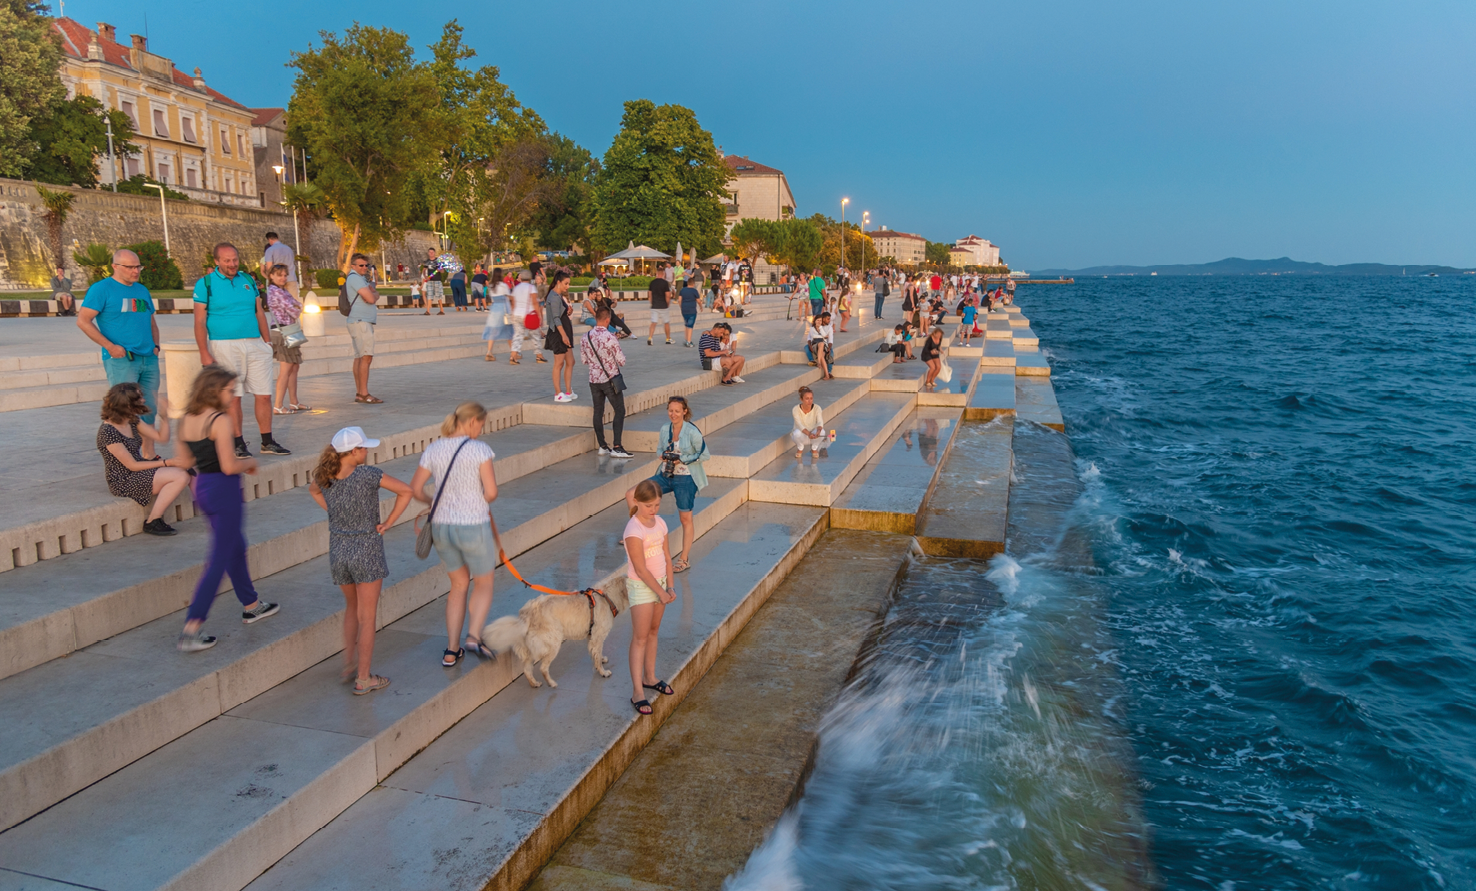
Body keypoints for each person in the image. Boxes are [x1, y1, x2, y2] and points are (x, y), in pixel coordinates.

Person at [174, 365, 279, 652]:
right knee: (219, 559)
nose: (232, 396)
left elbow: (184, 462)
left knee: (234, 546)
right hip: (225, 489)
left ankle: (252, 604)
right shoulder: (218, 420)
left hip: (204, 489)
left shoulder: (184, 420)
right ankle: (192, 627)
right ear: (213, 390)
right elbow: (230, 465)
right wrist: (251, 464)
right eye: (229, 390)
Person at [309, 425, 413, 696]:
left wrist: (334, 512)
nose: (367, 451)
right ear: (354, 452)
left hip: (339, 549)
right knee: (368, 618)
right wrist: (389, 521)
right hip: (366, 548)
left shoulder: (325, 475)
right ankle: (364, 678)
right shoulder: (368, 475)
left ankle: (348, 665)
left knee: (351, 608)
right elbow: (406, 491)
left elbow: (314, 491)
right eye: (364, 448)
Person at [410, 402, 499, 667]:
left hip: (442, 527)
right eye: (481, 425)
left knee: (458, 585)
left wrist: (432, 501)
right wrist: (477, 502)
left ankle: (451, 650)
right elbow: (492, 493)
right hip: (473, 524)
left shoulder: (434, 448)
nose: (481, 431)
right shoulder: (479, 450)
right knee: (484, 583)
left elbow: (415, 488)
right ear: (472, 422)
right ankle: (473, 636)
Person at [193, 243, 289, 457]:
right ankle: (238, 442)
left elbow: (259, 312)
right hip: (224, 345)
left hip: (255, 344)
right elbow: (199, 321)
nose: (232, 264)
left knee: (264, 394)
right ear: (216, 261)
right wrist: (204, 352)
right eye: (226, 260)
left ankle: (267, 441)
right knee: (233, 396)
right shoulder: (205, 284)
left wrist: (267, 342)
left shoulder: (247, 280)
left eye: (235, 259)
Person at [77, 249, 161, 426]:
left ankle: (148, 453)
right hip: (122, 359)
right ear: (114, 266)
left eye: (138, 267)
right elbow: (83, 321)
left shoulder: (142, 290)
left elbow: (151, 321)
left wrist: (156, 346)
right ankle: (126, 452)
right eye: (130, 267)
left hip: (148, 357)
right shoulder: (101, 289)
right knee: (125, 409)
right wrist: (110, 347)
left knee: (149, 407)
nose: (136, 271)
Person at [625, 396, 708, 575]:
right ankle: (640, 532)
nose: (673, 414)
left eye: (677, 411)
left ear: (684, 411)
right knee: (632, 494)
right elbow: (658, 449)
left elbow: (704, 455)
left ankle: (684, 559)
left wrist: (681, 459)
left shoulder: (692, 431)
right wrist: (663, 455)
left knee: (685, 519)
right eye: (671, 410)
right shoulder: (665, 429)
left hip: (686, 477)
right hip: (665, 474)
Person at [97, 383, 191, 535]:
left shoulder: (132, 420)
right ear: (127, 404)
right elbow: (132, 465)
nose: (143, 400)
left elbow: (161, 438)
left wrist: (164, 417)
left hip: (139, 469)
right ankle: (153, 521)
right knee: (180, 476)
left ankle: (210, 509)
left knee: (187, 468)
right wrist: (167, 463)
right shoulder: (108, 432)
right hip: (123, 479)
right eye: (139, 398)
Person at [624, 479, 675, 716]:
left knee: (653, 632)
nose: (653, 510)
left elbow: (666, 556)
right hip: (643, 588)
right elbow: (641, 569)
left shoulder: (661, 523)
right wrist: (661, 592)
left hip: (662, 585)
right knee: (640, 638)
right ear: (637, 503)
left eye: (657, 504)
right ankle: (637, 691)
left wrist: (670, 586)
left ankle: (650, 677)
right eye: (648, 506)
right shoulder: (633, 530)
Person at [582, 306, 632, 458]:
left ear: (596, 318)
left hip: (593, 379)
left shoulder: (586, 337)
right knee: (620, 410)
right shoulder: (610, 337)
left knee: (598, 411)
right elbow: (621, 361)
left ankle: (603, 446)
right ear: (608, 319)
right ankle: (617, 446)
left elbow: (584, 360)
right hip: (610, 379)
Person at [266, 264, 309, 415]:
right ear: (271, 276)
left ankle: (294, 401)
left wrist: (296, 307)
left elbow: (297, 304)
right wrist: (296, 308)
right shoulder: (275, 291)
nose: (283, 278)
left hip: (290, 330)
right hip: (282, 331)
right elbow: (294, 310)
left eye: (285, 275)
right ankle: (278, 405)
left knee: (294, 367)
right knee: (285, 369)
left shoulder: (282, 290)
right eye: (279, 275)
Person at [343, 252, 382, 405]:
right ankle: (364, 393)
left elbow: (373, 294)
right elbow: (372, 297)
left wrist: (373, 293)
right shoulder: (354, 278)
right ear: (353, 266)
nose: (365, 268)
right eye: (361, 265)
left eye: (366, 265)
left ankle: (360, 392)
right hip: (361, 322)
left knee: (360, 356)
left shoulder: (360, 279)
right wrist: (374, 294)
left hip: (359, 321)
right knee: (366, 357)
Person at [544, 270, 577, 402]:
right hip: (558, 333)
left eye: (568, 284)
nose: (567, 287)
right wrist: (564, 336)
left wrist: (568, 311)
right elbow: (556, 318)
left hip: (564, 331)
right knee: (559, 363)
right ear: (558, 282)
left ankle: (568, 391)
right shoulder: (553, 297)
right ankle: (558, 393)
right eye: (565, 284)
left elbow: (560, 314)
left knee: (570, 361)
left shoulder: (558, 296)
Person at [509, 270, 538, 365]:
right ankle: (539, 355)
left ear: (521, 277)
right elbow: (534, 302)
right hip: (527, 315)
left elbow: (513, 302)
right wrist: (539, 314)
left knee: (517, 335)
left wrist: (513, 313)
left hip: (516, 314)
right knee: (535, 334)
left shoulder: (516, 288)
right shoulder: (531, 287)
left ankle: (513, 356)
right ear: (530, 278)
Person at [483, 267, 512, 361]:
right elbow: (508, 297)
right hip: (503, 308)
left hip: (494, 309)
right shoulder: (503, 285)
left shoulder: (491, 286)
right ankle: (514, 352)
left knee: (493, 331)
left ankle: (489, 352)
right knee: (509, 331)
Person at [791, 385, 827, 458]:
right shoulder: (795, 409)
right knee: (796, 433)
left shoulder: (817, 408)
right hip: (802, 435)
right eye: (807, 399)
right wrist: (809, 433)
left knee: (822, 431)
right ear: (801, 399)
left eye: (811, 398)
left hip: (813, 435)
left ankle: (814, 448)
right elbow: (799, 425)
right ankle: (800, 448)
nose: (809, 401)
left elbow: (820, 422)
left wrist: (818, 431)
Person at [262, 232, 298, 299]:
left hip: (278, 280)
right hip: (291, 278)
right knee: (293, 302)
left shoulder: (270, 250)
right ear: (277, 238)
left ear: (269, 240)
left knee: (279, 304)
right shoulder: (289, 249)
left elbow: (269, 267)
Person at [648, 262, 672, 345]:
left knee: (653, 322)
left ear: (657, 273)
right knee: (666, 322)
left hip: (654, 305)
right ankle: (668, 338)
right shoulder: (665, 283)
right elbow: (668, 295)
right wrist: (667, 303)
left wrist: (652, 303)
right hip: (663, 306)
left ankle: (650, 337)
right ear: (663, 274)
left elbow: (649, 295)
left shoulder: (652, 283)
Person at [806, 314, 833, 379]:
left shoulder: (822, 328)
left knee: (822, 350)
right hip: (815, 344)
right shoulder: (812, 328)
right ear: (815, 321)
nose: (819, 322)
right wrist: (823, 336)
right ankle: (826, 373)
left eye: (820, 320)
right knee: (821, 346)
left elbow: (825, 335)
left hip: (822, 344)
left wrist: (820, 328)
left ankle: (825, 372)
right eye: (818, 320)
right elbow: (813, 336)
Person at [678, 274, 702, 347]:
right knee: (690, 326)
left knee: (686, 324)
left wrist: (681, 306)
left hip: (684, 309)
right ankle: (689, 341)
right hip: (692, 310)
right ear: (693, 284)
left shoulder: (682, 290)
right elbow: (698, 301)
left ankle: (686, 339)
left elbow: (679, 300)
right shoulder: (694, 291)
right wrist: (701, 306)